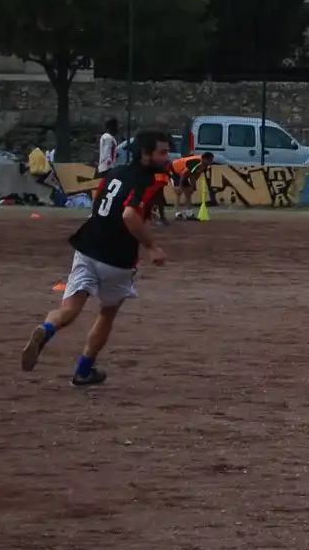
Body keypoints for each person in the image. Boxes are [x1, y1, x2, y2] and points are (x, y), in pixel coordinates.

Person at [20, 130, 171, 387]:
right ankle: (83, 371)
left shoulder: (115, 172)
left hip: (87, 245)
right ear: (146, 155)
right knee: (107, 313)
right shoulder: (148, 180)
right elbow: (129, 215)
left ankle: (47, 329)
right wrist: (152, 246)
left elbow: (99, 201)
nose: (167, 157)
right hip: (117, 257)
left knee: (68, 310)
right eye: (162, 152)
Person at [168, 150, 211, 221]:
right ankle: (177, 214)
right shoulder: (196, 162)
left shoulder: (204, 165)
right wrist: (180, 185)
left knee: (188, 193)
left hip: (184, 173)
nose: (211, 162)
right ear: (205, 159)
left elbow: (194, 175)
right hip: (175, 170)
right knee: (178, 192)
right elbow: (184, 173)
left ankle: (189, 214)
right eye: (210, 160)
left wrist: (193, 186)